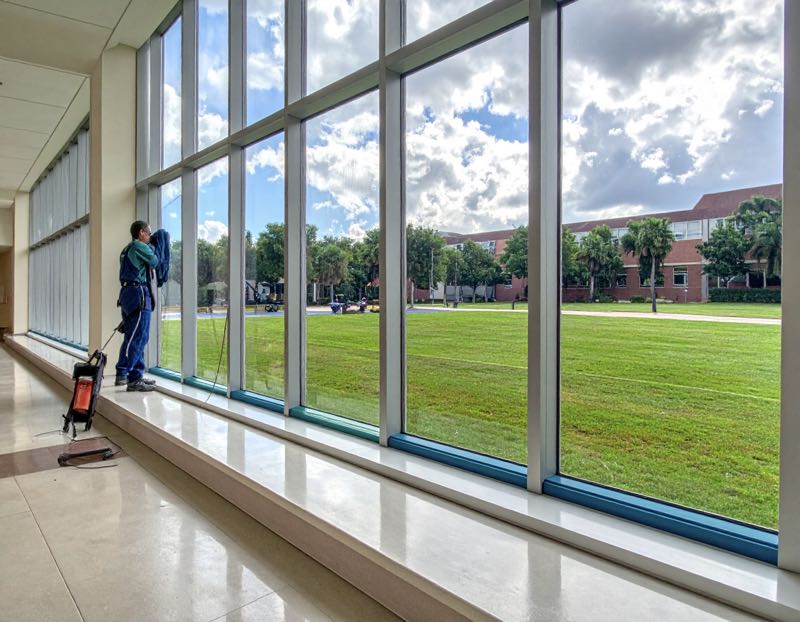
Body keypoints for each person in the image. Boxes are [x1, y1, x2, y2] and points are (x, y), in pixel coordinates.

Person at [115, 221, 159, 391]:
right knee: (139, 336)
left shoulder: (126, 249)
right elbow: (154, 261)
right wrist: (154, 249)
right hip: (138, 292)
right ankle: (127, 374)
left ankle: (135, 375)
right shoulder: (138, 246)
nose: (150, 237)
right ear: (141, 232)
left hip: (127, 293)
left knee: (133, 335)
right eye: (149, 233)